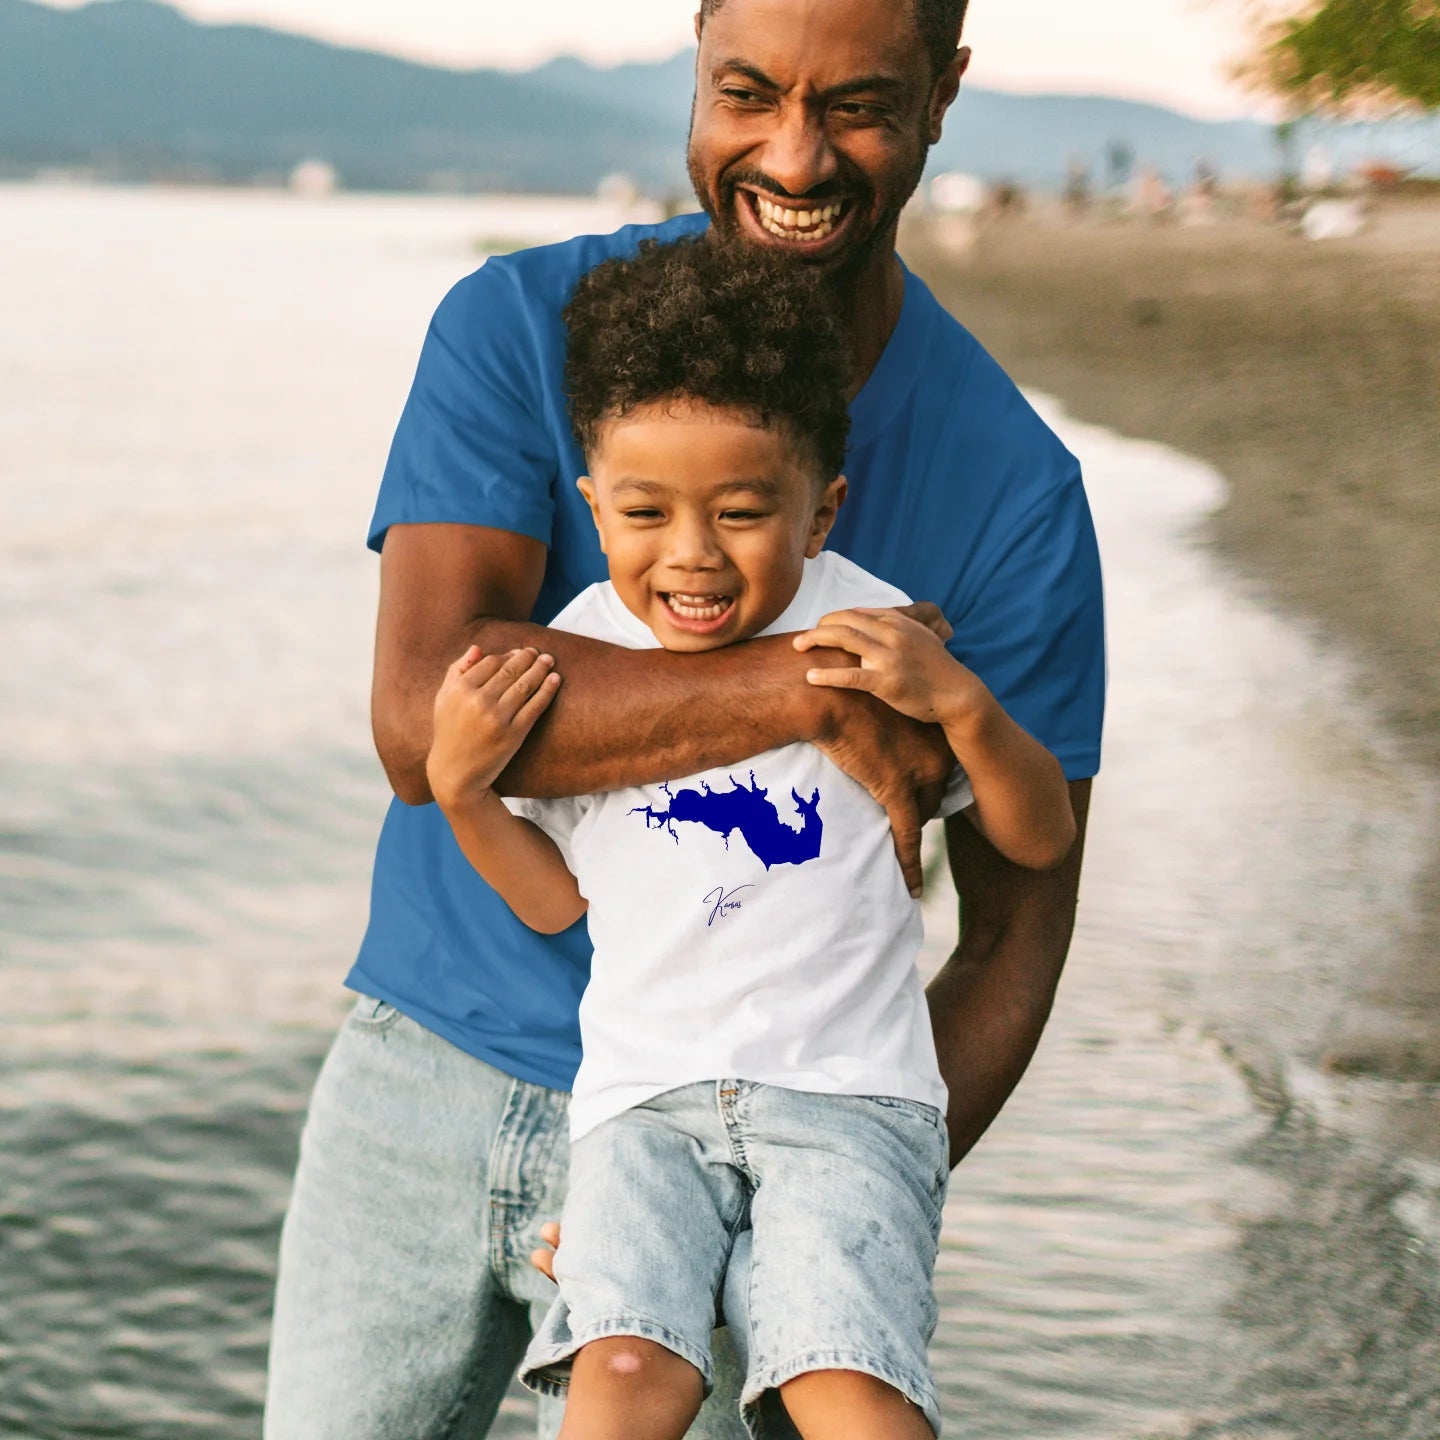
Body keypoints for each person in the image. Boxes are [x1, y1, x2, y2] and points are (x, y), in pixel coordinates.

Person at [263, 1, 1106, 1435]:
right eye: (747, 92)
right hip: (426, 1074)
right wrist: (809, 690)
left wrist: (832, 1200)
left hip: (757, 1136)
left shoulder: (1015, 488)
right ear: (697, 68)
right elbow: (422, 725)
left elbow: (1020, 922)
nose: (793, 153)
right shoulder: (517, 329)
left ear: (946, 92)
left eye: (856, 104)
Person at [426, 236, 1077, 1440]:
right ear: (592, 505)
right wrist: (465, 796)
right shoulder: (574, 654)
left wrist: (967, 709)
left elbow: (1034, 842)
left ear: (821, 507)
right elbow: (555, 904)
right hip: (645, 1106)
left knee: (846, 1386)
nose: (691, 553)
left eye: (739, 511)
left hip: (848, 1098)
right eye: (643, 512)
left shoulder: (880, 637)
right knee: (622, 1378)